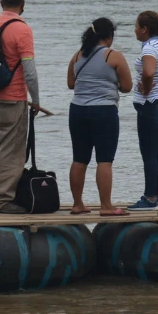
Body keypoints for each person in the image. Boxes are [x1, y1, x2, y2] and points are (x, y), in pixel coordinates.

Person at [0, 0, 43, 214]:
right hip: (13, 98)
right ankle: (1, 199)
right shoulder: (22, 30)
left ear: (1, 3)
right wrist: (35, 99)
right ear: (23, 5)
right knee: (11, 150)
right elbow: (29, 70)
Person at [66, 17, 133, 216]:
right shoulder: (113, 56)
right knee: (104, 160)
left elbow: (71, 84)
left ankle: (77, 204)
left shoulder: (77, 56)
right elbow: (127, 87)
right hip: (104, 111)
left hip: (77, 111)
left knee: (79, 159)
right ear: (109, 37)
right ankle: (106, 206)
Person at [127, 11, 158, 211]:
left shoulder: (149, 48)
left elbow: (148, 71)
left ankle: (149, 198)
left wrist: (146, 87)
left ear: (144, 29)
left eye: (136, 26)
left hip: (151, 104)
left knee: (149, 154)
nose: (135, 30)